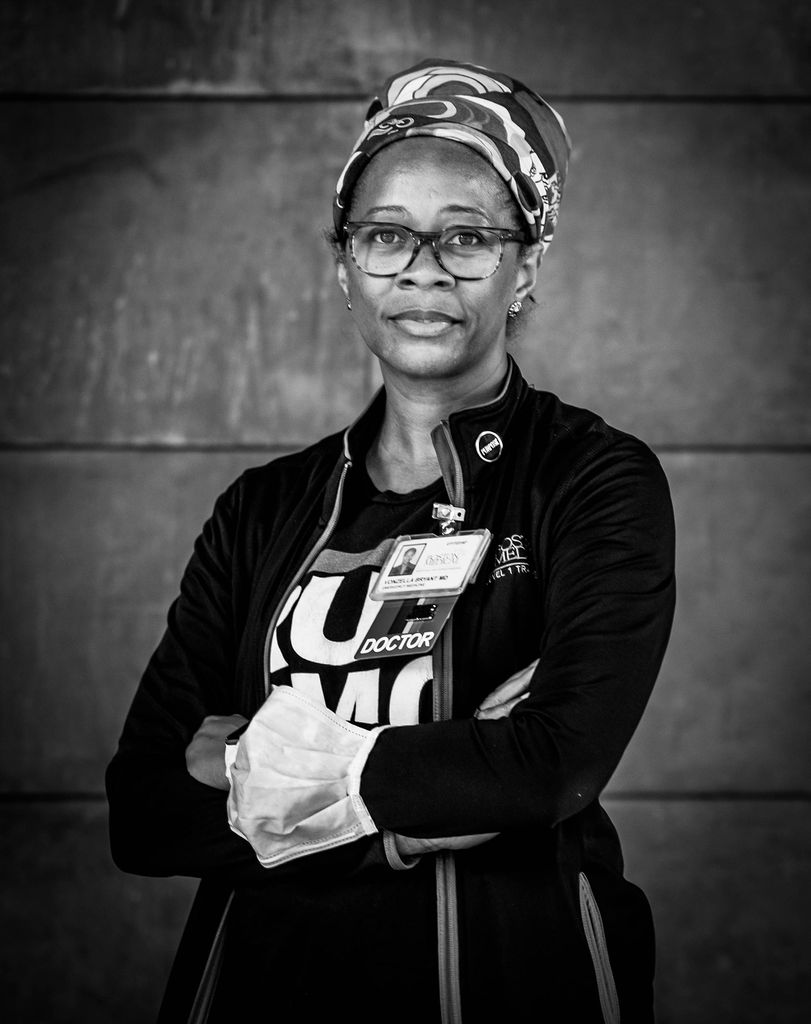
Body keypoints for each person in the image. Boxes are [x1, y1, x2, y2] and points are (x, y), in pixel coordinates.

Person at [106, 59, 675, 1023]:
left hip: (515, 980)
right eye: (384, 236)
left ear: (524, 265)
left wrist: (276, 766)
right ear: (344, 265)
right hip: (253, 986)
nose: (421, 268)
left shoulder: (591, 479)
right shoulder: (260, 508)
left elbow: (551, 766)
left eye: (467, 237)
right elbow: (146, 809)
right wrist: (437, 782)